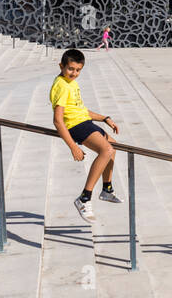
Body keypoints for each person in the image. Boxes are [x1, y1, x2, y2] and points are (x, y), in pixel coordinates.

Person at [49, 49, 122, 223]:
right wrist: (73, 147)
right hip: (75, 126)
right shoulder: (61, 86)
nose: (74, 73)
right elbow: (58, 120)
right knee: (106, 149)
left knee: (114, 146)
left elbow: (81, 110)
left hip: (84, 122)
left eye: (78, 70)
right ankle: (84, 198)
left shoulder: (72, 84)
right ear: (61, 66)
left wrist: (104, 118)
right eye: (71, 69)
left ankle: (107, 189)